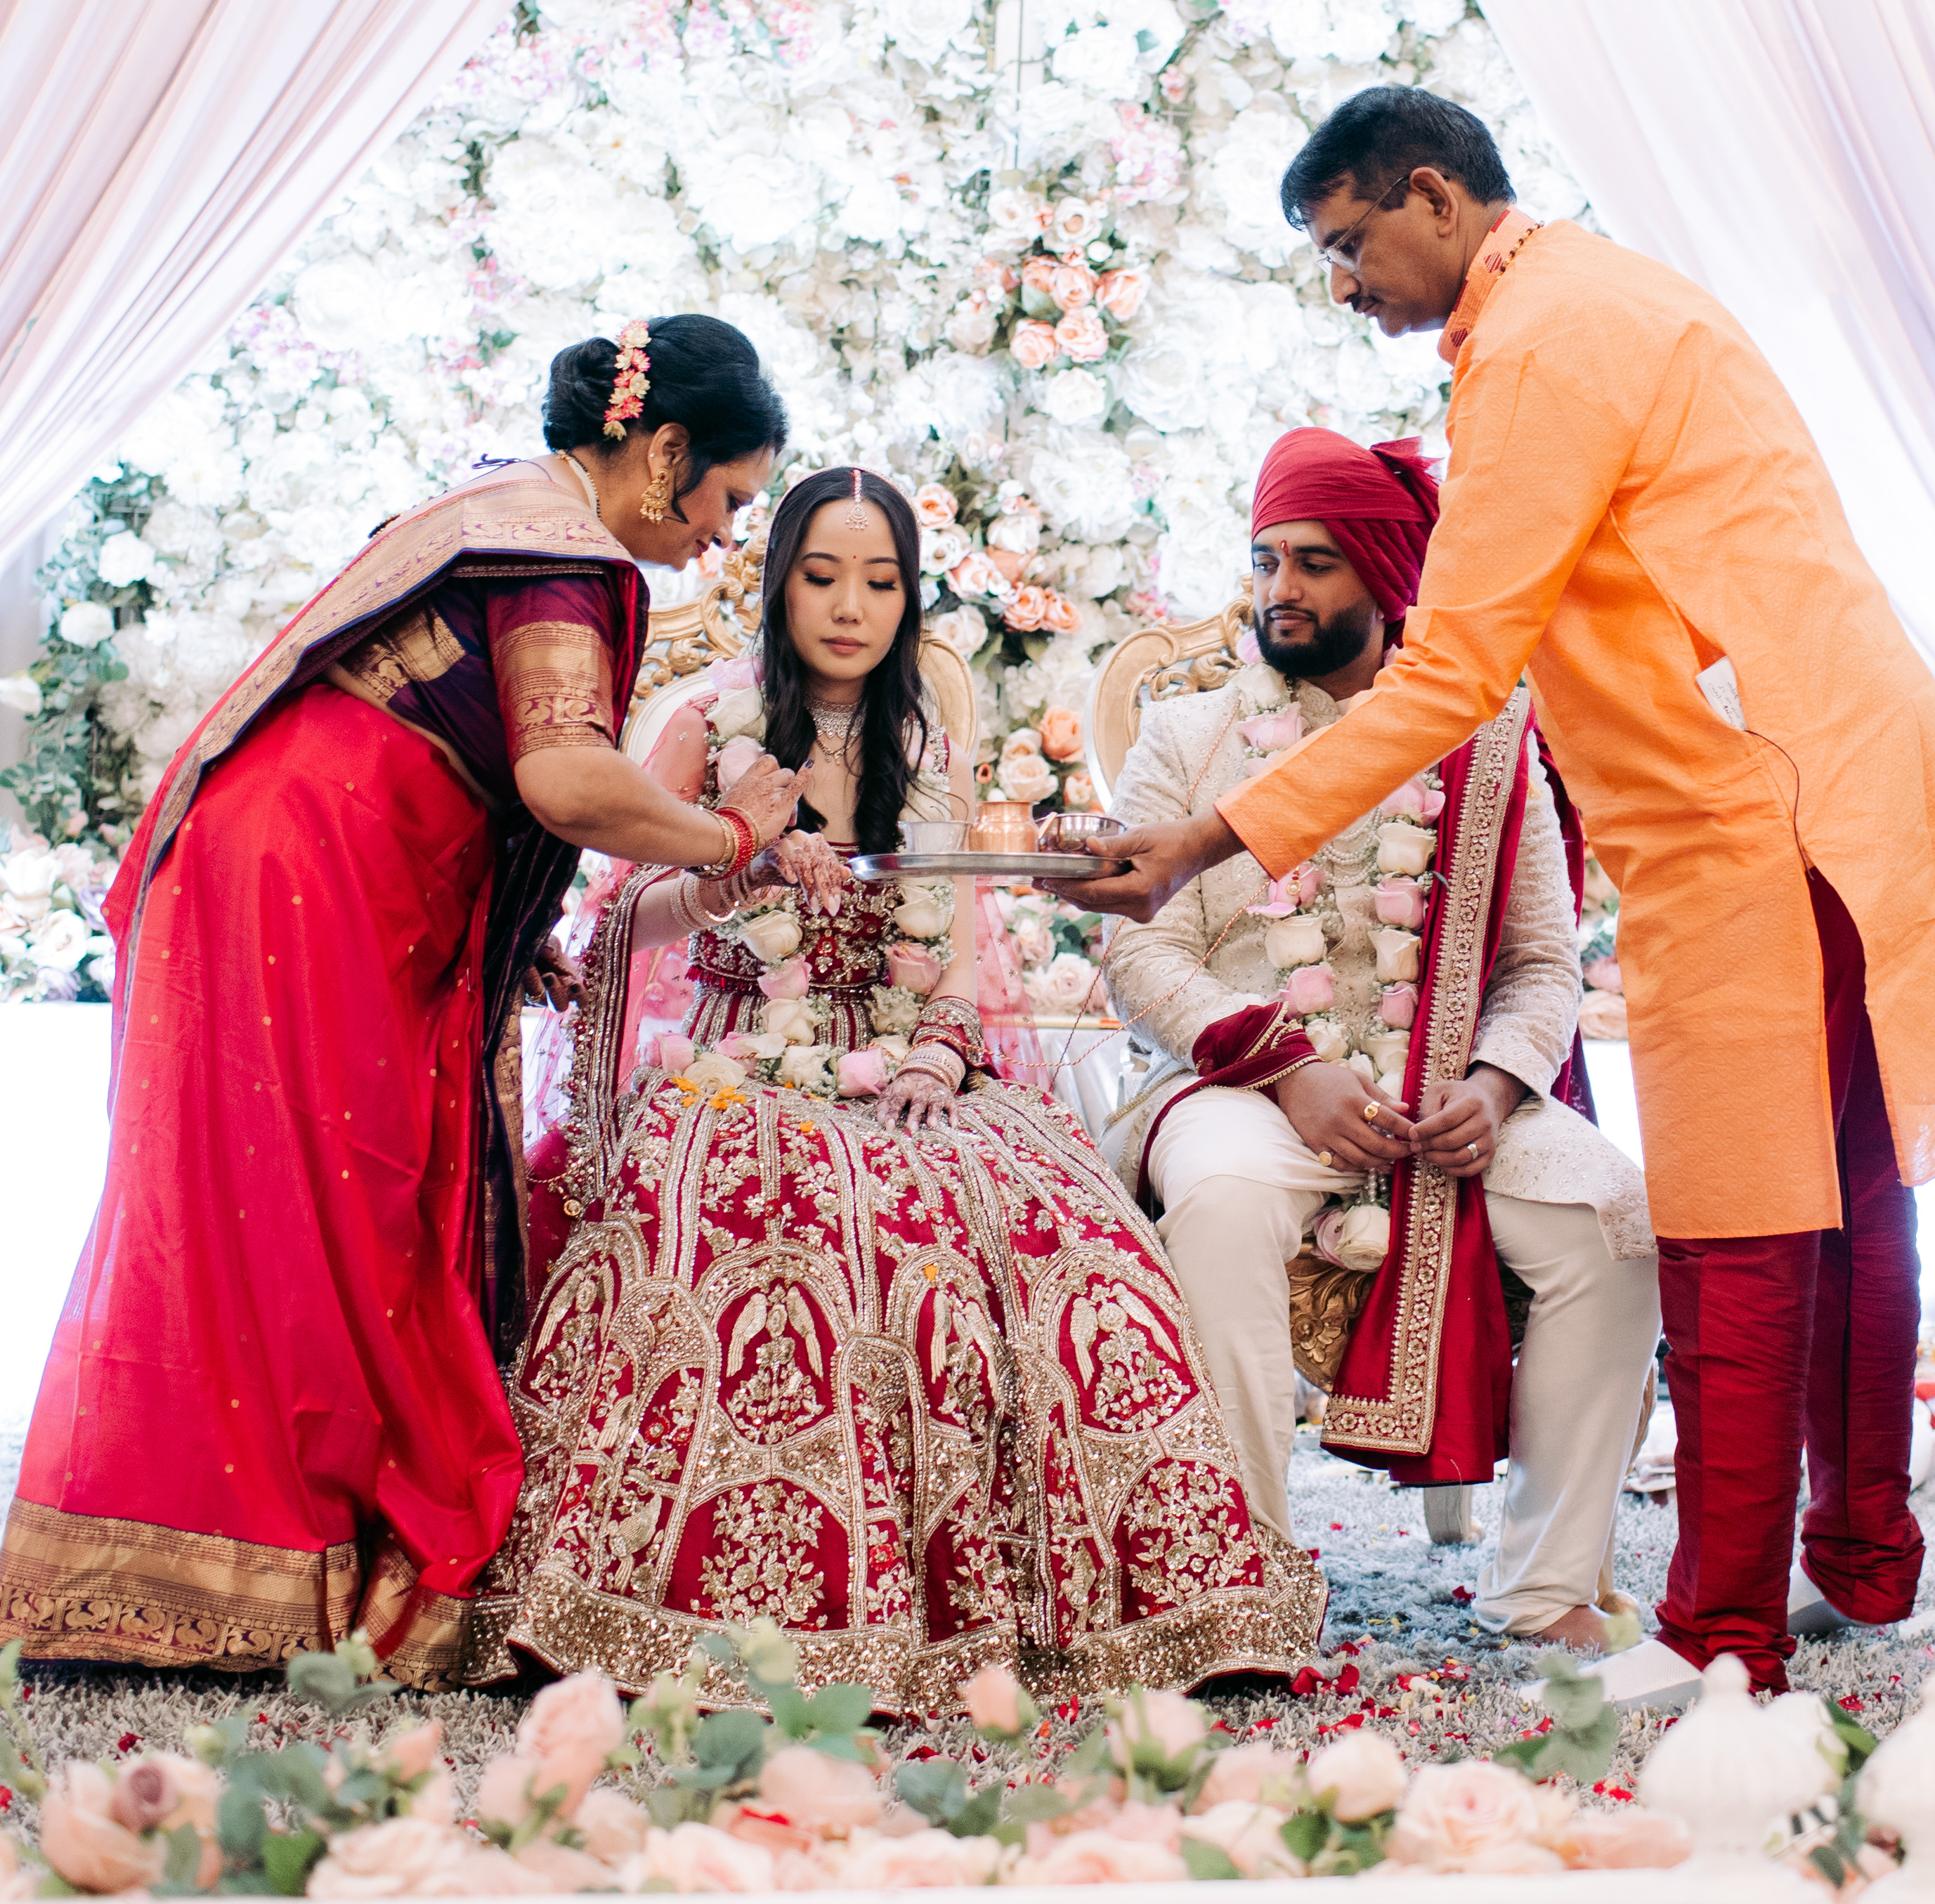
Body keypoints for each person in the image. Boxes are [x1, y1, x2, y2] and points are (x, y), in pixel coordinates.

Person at [1068, 88, 1935, 1697]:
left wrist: (1208, 841)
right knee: (1853, 1201)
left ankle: (1719, 1638)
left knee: (1737, 1229)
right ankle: (1859, 1559)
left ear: (1434, 196)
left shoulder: (1538, 343)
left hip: (1741, 813)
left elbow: (1450, 673)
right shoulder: (1608, 292)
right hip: (1832, 776)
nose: (1343, 285)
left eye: (1350, 243)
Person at [0, 320, 823, 1683]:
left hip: (284, 863)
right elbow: (564, 779)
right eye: (728, 497)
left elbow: (455, 742)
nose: (724, 536)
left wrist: (517, 928)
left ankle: (193, 1563)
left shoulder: (501, 510)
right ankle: (258, 1565)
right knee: (331, 1215)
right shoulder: (564, 552)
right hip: (318, 875)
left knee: (253, 1208)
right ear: (665, 449)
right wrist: (734, 834)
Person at [484, 467, 1323, 1711]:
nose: (849, 608)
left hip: (910, 1065)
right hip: (737, 1068)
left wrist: (936, 1050)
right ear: (778, 586)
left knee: (1076, 1249)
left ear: (908, 600)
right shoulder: (707, 726)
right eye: (822, 577)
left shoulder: (929, 749)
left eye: (879, 583)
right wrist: (727, 871)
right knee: (783, 1243)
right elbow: (622, 919)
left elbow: (959, 951)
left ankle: (1102, 1602)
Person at [1101, 428, 1660, 1664]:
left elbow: (1541, 963)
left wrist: (1495, 1085)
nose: (1280, 589)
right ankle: (1238, 1579)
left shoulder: (1487, 736)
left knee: (1615, 1218)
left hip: (1442, 1092)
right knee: (1222, 1203)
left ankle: (1545, 1582)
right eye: (1266, 561)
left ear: (1385, 576)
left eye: (1315, 563)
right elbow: (1138, 955)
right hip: (1242, 1083)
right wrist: (1287, 1068)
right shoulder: (1188, 736)